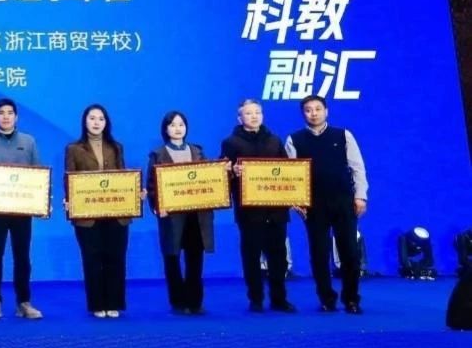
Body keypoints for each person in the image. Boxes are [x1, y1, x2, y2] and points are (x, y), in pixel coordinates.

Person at [285, 95, 369, 314]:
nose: (313, 113)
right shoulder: (294, 140)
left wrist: (360, 196)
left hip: (344, 202)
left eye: (318, 109)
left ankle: (351, 299)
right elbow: (291, 176)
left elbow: (357, 168)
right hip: (313, 205)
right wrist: (296, 201)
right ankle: (326, 299)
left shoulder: (343, 135)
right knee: (319, 253)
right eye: (308, 110)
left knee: (350, 252)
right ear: (303, 114)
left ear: (326, 111)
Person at [220, 99, 297, 313]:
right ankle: (255, 298)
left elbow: (288, 171)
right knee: (251, 256)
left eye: (257, 112)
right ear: (240, 118)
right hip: (249, 211)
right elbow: (222, 172)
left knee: (278, 256)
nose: (254, 116)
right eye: (248, 113)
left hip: (276, 209)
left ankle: (279, 298)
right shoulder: (230, 143)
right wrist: (231, 171)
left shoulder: (274, 140)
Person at [0, 98, 44, 320]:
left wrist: (40, 202)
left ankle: (23, 302)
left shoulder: (29, 142)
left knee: (22, 256)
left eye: (10, 112)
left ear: (16, 117)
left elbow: (37, 175)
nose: (6, 116)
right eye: (1, 112)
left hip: (22, 210)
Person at [65, 104, 135, 319]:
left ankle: (114, 303)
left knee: (116, 257)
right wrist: (70, 202)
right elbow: (69, 179)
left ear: (106, 123)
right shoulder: (74, 149)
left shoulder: (116, 147)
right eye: (92, 118)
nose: (96, 122)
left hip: (116, 212)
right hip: (87, 215)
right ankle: (97, 304)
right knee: (92, 259)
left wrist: (134, 193)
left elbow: (123, 177)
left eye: (101, 119)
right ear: (85, 121)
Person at [146, 111, 214, 315]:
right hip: (171, 217)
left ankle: (195, 301)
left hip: (196, 215)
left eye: (181, 124)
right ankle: (178, 301)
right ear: (165, 129)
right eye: (173, 125)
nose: (178, 129)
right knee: (172, 258)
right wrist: (158, 207)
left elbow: (209, 178)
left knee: (195, 259)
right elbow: (151, 186)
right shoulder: (158, 154)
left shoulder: (198, 151)